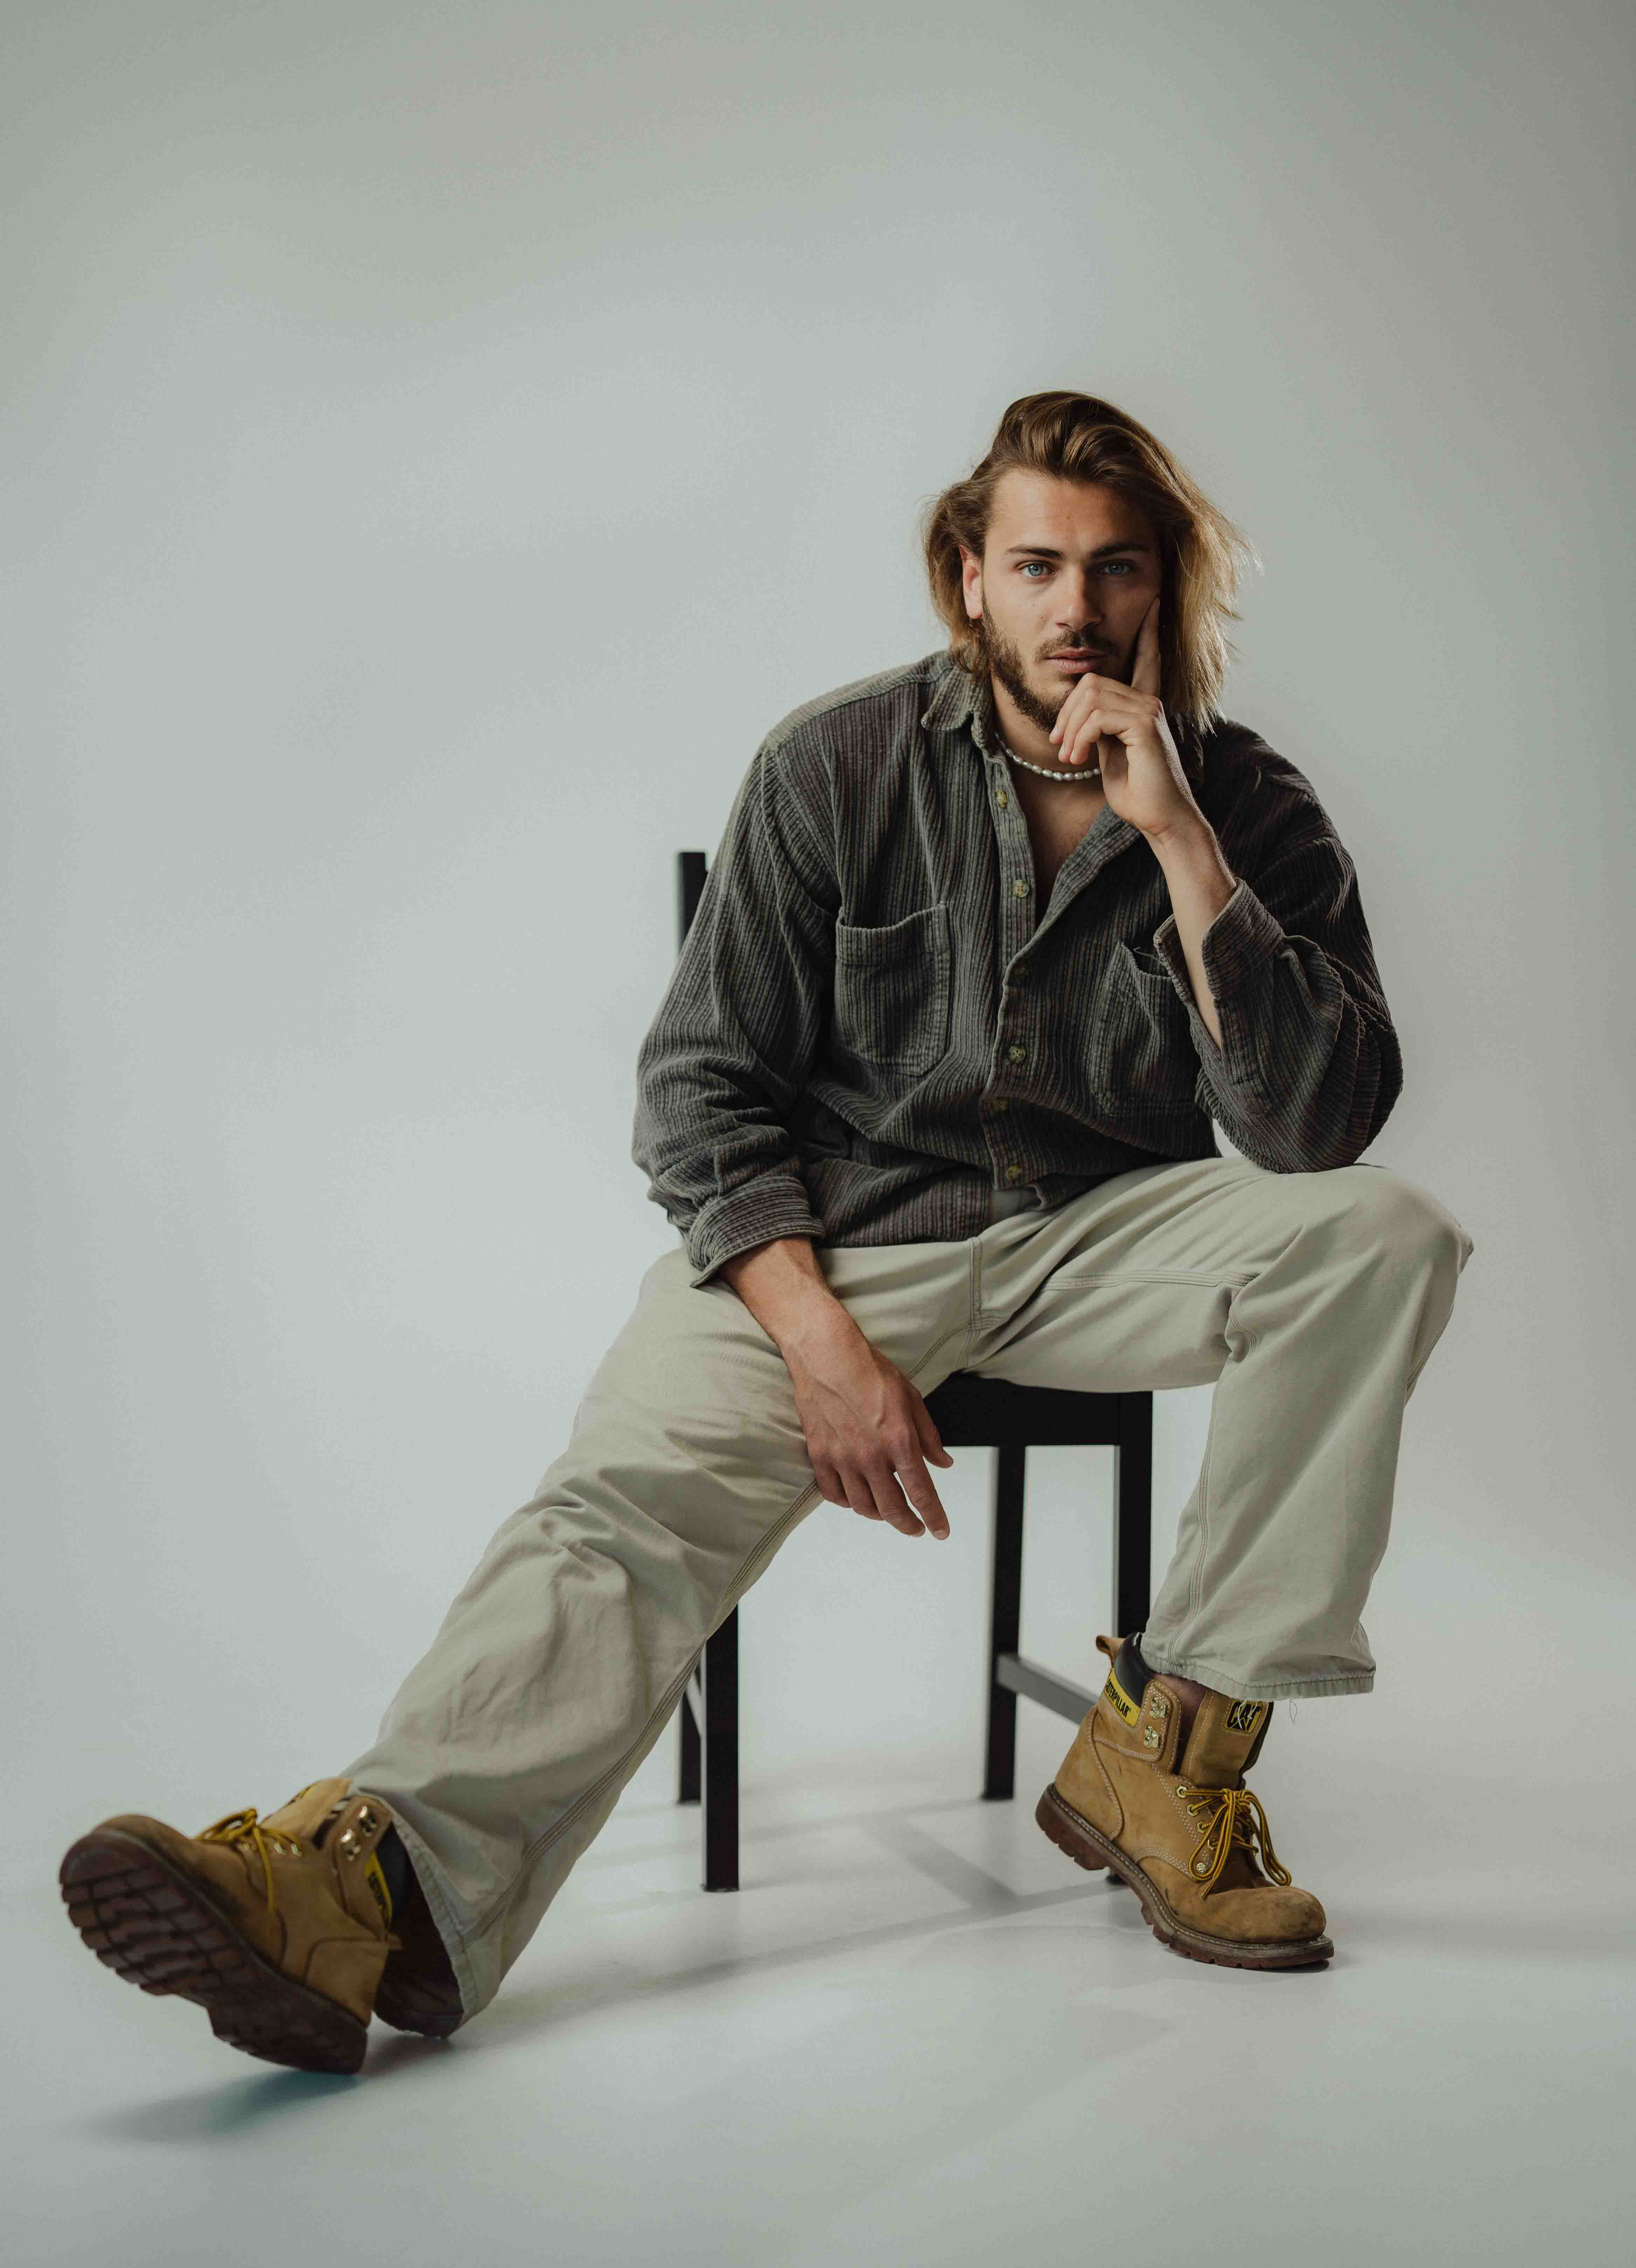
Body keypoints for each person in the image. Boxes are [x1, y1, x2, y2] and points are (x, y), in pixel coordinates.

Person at [59, 389, 1473, 2072]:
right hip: (841, 1246)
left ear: (1166, 590)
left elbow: (1313, 1134)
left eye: (1114, 571)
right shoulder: (835, 766)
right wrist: (818, 1342)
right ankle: (364, 1890)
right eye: (1035, 566)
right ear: (967, 577)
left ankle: (1169, 1756)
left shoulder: (1243, 804)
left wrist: (1178, 841)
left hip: (1104, 1238)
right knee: (619, 1515)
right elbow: (699, 1092)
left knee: (1385, 1238)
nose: (1074, 611)